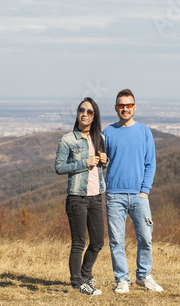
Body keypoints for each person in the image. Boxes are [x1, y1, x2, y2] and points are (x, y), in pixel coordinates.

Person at [103, 89, 163, 293]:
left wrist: (144, 191)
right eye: (121, 105)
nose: (125, 109)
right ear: (116, 108)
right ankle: (121, 280)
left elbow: (150, 163)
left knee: (146, 237)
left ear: (135, 107)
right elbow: (101, 161)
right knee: (116, 240)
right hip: (114, 195)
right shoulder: (108, 132)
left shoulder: (145, 131)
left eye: (129, 105)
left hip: (139, 195)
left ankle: (144, 276)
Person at [55, 97, 108, 296]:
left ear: (94, 117)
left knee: (97, 242)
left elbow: (100, 167)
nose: (84, 114)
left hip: (96, 197)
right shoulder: (68, 139)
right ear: (77, 113)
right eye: (81, 110)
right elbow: (59, 168)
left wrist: (104, 160)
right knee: (79, 242)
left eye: (89, 112)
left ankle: (86, 275)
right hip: (77, 197)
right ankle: (78, 283)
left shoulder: (99, 138)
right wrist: (84, 163)